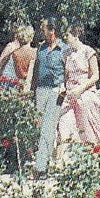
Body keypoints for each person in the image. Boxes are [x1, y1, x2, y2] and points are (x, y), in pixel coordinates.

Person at [56, 21, 100, 150]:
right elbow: (64, 77)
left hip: (84, 90)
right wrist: (62, 87)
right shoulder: (66, 54)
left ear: (75, 36)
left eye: (67, 36)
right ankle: (62, 156)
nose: (65, 39)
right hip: (69, 93)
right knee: (62, 119)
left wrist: (80, 88)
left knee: (86, 108)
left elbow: (95, 75)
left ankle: (93, 147)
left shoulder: (88, 51)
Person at [26, 19, 67, 177]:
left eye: (43, 30)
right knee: (41, 127)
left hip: (56, 90)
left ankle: (41, 167)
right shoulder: (41, 48)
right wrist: (31, 90)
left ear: (52, 31)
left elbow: (68, 69)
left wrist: (65, 88)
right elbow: (35, 70)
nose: (41, 33)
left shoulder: (64, 48)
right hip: (41, 90)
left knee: (48, 128)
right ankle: (45, 163)